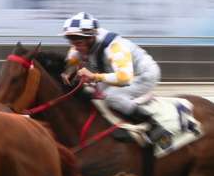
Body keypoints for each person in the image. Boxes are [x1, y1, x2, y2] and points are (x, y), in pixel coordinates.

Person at [60, 11, 172, 147]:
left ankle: (153, 125)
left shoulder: (115, 47)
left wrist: (94, 76)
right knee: (91, 92)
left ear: (91, 38)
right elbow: (73, 55)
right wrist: (69, 70)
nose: (76, 47)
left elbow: (124, 78)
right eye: (72, 43)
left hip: (143, 75)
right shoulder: (85, 41)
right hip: (117, 72)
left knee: (112, 97)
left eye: (78, 43)